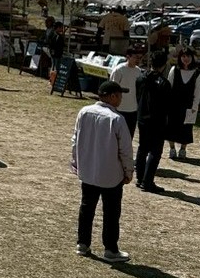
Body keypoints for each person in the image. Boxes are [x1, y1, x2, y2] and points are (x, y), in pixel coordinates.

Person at [71, 80, 134, 262]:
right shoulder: (117, 119)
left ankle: (82, 243)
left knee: (86, 207)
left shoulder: (84, 112)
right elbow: (125, 150)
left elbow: (75, 139)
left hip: (89, 170)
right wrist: (128, 171)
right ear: (113, 96)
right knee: (111, 212)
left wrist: (76, 162)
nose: (121, 98)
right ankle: (110, 249)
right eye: (120, 95)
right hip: (111, 174)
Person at [134, 51, 172, 193]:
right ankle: (147, 181)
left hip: (142, 117)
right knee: (155, 151)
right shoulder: (164, 83)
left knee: (142, 148)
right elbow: (167, 105)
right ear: (163, 65)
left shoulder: (142, 78)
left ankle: (139, 178)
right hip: (157, 121)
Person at [165, 49, 200, 160]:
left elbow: (197, 91)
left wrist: (194, 107)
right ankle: (172, 149)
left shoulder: (197, 73)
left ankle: (183, 149)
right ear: (180, 58)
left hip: (188, 105)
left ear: (192, 58)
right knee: (171, 127)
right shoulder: (174, 70)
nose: (186, 59)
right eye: (183, 56)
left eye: (188, 56)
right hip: (173, 105)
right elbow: (168, 87)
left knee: (186, 128)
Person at [109, 48, 143, 138]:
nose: (138, 60)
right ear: (128, 57)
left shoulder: (138, 71)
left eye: (140, 58)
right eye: (135, 57)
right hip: (119, 108)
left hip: (132, 109)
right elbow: (112, 88)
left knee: (128, 136)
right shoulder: (119, 70)